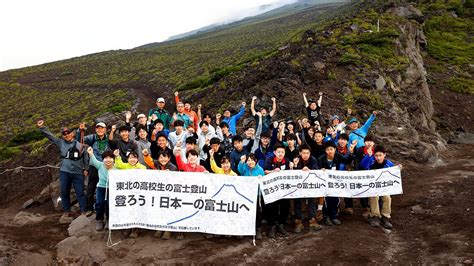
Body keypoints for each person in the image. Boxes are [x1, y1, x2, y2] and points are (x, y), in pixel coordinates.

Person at [37, 120, 88, 223]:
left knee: (80, 192)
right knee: (64, 191)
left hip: (78, 172)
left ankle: (83, 211)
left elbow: (85, 156)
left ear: (72, 134)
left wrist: (86, 168)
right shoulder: (60, 143)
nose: (66, 135)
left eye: (68, 133)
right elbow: (50, 136)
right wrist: (42, 127)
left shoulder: (79, 144)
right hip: (65, 171)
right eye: (64, 134)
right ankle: (66, 211)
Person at [317, 141, 356, 226]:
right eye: (328, 149)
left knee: (336, 199)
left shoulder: (338, 156)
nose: (330, 151)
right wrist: (320, 170)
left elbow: (347, 161)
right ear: (325, 150)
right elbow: (316, 170)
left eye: (331, 149)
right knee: (327, 200)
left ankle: (333, 216)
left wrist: (351, 152)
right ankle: (326, 216)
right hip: (325, 184)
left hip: (335, 182)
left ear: (335, 149)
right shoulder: (321, 159)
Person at [360, 145, 399, 229]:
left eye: (380, 155)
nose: (378, 157)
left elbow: (395, 171)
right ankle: (375, 216)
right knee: (374, 197)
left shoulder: (388, 163)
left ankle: (386, 217)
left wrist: (399, 168)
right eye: (376, 155)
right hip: (372, 187)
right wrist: (368, 156)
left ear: (384, 155)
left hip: (384, 188)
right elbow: (362, 165)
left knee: (387, 197)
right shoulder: (371, 162)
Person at [77, 121, 110, 216]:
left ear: (105, 130)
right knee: (91, 187)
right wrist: (80, 130)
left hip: (105, 167)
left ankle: (104, 207)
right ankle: (89, 208)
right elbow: (81, 140)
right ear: (96, 129)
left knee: (104, 186)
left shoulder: (108, 139)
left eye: (102, 128)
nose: (100, 130)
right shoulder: (92, 138)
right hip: (94, 166)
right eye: (98, 128)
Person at [291, 144, 323, 233]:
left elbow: (316, 171)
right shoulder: (296, 159)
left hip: (310, 185)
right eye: (303, 153)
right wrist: (296, 166)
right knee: (297, 202)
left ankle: (312, 220)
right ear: (300, 153)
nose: (305, 155)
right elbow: (291, 173)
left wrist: (309, 170)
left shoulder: (313, 159)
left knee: (312, 201)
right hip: (298, 186)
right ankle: (298, 221)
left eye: (307, 153)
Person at [264, 144, 290, 238]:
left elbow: (290, 173)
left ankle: (281, 225)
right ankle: (272, 226)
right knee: (272, 206)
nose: (280, 154)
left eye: (282, 152)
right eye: (278, 152)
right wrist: (273, 171)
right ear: (275, 152)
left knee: (285, 206)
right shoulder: (269, 160)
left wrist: (291, 167)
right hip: (273, 188)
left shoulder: (286, 161)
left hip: (284, 188)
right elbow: (265, 171)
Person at [86, 147, 115, 231]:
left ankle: (109, 220)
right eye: (106, 158)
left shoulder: (117, 167)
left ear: (113, 159)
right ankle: (100, 220)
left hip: (112, 188)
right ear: (103, 159)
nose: (108, 160)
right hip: (101, 188)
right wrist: (90, 153)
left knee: (110, 204)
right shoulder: (100, 165)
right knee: (99, 203)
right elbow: (94, 160)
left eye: (110, 158)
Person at [238, 153, 265, 240]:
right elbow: (239, 170)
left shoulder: (260, 169)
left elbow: (263, 182)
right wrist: (242, 162)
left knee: (258, 213)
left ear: (255, 161)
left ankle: (258, 229)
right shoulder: (244, 168)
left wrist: (261, 178)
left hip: (257, 195)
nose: (250, 162)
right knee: (245, 211)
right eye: (248, 160)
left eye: (252, 160)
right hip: (245, 194)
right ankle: (244, 229)